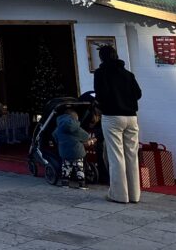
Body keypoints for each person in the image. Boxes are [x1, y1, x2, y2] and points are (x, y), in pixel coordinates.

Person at [94, 45, 143, 204]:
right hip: (131, 117)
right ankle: (134, 194)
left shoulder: (101, 73)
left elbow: (100, 95)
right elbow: (138, 94)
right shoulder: (128, 74)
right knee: (132, 155)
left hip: (112, 116)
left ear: (102, 57)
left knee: (116, 156)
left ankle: (119, 194)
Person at [54, 109, 91, 189]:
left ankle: (65, 184)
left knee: (66, 168)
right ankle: (82, 185)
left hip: (64, 153)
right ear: (74, 119)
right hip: (77, 153)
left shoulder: (59, 128)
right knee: (79, 168)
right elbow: (86, 136)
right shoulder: (77, 129)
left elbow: (55, 136)